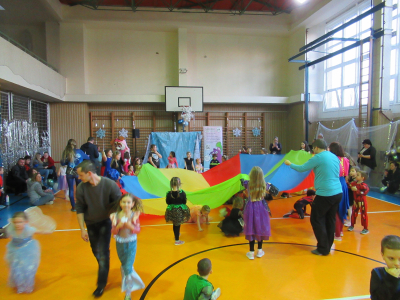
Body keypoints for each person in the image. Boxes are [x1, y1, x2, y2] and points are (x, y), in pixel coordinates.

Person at [284, 139, 342, 256]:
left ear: (316, 148)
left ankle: (322, 247)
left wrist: (290, 164)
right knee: (330, 219)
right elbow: (338, 172)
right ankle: (327, 246)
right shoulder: (334, 157)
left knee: (316, 218)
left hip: (326, 193)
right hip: (338, 192)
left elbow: (302, 168)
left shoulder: (318, 157)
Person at [75, 160, 122, 298]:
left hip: (105, 223)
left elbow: (119, 204)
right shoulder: (82, 188)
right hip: (91, 224)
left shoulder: (109, 185)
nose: (79, 178)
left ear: (89, 173)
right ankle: (104, 262)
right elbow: (79, 208)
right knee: (96, 251)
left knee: (102, 253)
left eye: (80, 175)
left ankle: (101, 284)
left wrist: (117, 222)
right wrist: (82, 229)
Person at [110, 194, 145, 300]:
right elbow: (113, 231)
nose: (126, 204)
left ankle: (128, 292)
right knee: (124, 265)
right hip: (120, 243)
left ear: (132, 204)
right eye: (124, 202)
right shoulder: (115, 216)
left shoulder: (134, 215)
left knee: (128, 267)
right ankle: (127, 283)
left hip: (131, 243)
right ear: (120, 203)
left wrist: (131, 226)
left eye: (128, 202)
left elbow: (138, 230)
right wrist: (118, 227)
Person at [5, 211, 41, 293]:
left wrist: (47, 231)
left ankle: (28, 285)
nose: (17, 224)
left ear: (26, 222)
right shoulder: (12, 229)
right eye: (16, 222)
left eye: (20, 222)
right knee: (16, 268)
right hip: (14, 250)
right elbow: (8, 235)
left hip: (27, 251)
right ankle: (19, 285)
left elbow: (38, 231)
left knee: (27, 268)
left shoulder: (28, 230)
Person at [243, 166, 271, 260]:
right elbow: (275, 191)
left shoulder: (247, 184)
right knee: (260, 227)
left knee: (251, 227)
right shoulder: (265, 185)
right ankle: (259, 250)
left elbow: (241, 181)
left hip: (250, 207)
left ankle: (251, 252)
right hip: (261, 208)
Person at [61, 139, 90, 212]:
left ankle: (73, 207)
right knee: (79, 189)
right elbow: (88, 158)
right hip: (78, 172)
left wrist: (68, 161)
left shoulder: (66, 152)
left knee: (71, 189)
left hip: (69, 172)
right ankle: (80, 205)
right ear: (75, 144)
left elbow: (62, 163)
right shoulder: (79, 151)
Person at [329, 142, 350, 242]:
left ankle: (337, 234)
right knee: (341, 209)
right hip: (343, 183)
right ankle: (340, 231)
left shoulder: (333, 159)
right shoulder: (345, 159)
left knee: (336, 210)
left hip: (336, 183)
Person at [370, 235, 400, 300]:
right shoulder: (378, 273)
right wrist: (390, 278)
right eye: (391, 258)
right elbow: (376, 298)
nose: (397, 264)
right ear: (383, 255)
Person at [165, 177, 190, 245]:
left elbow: (168, 202)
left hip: (172, 211)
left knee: (175, 224)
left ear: (171, 184)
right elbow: (184, 201)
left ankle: (177, 234)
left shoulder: (169, 193)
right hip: (179, 211)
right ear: (179, 184)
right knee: (177, 225)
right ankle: (177, 240)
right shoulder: (182, 193)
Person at [348, 170, 370, 234]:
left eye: (358, 175)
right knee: (354, 213)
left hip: (362, 202)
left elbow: (364, 192)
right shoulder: (354, 183)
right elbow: (349, 185)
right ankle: (352, 225)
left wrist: (357, 190)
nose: (356, 176)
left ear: (362, 178)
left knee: (363, 214)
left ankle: (365, 228)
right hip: (356, 201)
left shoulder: (364, 185)